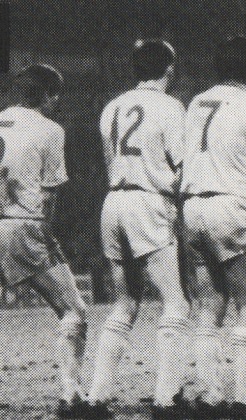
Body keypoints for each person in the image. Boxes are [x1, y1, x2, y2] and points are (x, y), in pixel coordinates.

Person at [86, 40, 189, 418]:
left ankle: (96, 397)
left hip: (113, 202)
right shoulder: (171, 107)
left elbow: (107, 159)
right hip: (148, 201)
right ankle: (167, 399)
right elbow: (180, 169)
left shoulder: (112, 106)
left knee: (124, 303)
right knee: (175, 302)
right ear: (169, 68)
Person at [180, 36, 246, 417]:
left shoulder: (195, 104)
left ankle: (209, 393)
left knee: (209, 305)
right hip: (232, 204)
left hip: (193, 207)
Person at [0, 64, 89, 418]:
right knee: (74, 311)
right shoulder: (50, 130)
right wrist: (47, 234)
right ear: (50, 95)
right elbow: (49, 197)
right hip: (22, 225)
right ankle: (72, 395)